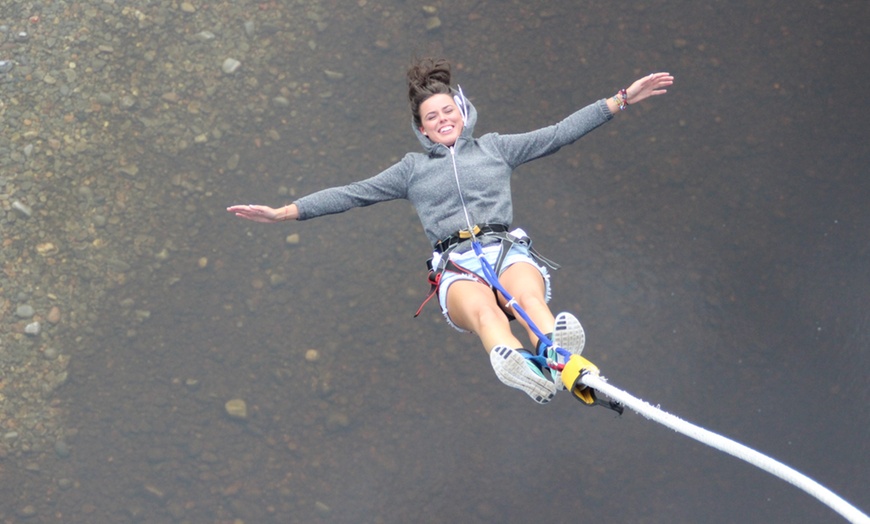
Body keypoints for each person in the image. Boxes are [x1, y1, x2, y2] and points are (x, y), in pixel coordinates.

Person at [228, 58, 673, 404]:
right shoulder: (410, 170)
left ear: (463, 112)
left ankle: (560, 358)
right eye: (432, 117)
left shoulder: (496, 148)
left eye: (448, 110)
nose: (443, 119)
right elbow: (352, 193)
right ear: (421, 129)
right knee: (486, 313)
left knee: (524, 297)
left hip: (504, 249)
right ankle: (522, 367)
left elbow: (558, 133)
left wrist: (621, 99)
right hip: (456, 266)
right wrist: (284, 212)